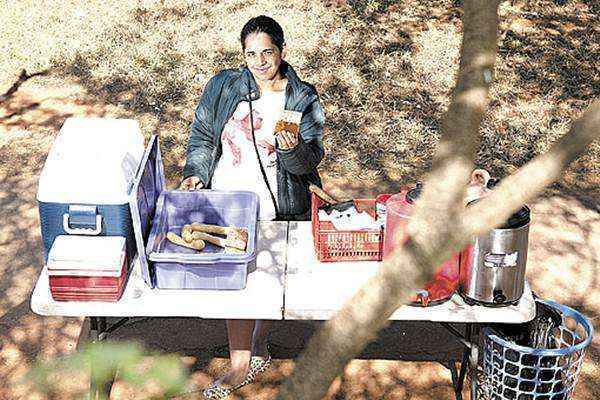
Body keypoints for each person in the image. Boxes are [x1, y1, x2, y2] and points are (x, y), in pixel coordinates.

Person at [180, 15, 325, 399]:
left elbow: (308, 164)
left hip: (279, 204)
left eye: (267, 52)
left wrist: (292, 149)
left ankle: (259, 345)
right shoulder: (224, 86)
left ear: (281, 51)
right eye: (251, 54)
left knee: (268, 279)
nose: (260, 61)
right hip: (228, 199)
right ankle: (240, 364)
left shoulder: (302, 97)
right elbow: (202, 136)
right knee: (237, 282)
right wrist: (196, 172)